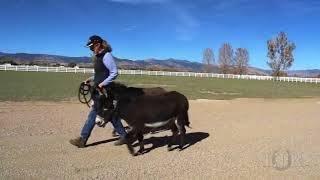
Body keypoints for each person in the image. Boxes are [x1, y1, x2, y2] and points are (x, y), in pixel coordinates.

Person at [69, 35, 127, 148]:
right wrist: (90, 79)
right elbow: (99, 74)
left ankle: (83, 139)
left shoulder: (107, 56)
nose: (90, 49)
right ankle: (124, 136)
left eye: (91, 47)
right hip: (98, 91)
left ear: (97, 44)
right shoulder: (99, 57)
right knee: (109, 115)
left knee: (96, 114)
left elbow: (114, 72)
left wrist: (103, 83)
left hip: (105, 92)